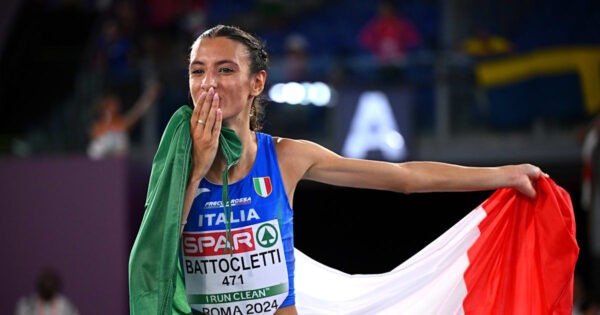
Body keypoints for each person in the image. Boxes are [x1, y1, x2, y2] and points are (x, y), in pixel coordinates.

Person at [130, 25, 547, 315]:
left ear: (257, 83)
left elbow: (403, 178)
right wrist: (199, 168)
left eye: (225, 69)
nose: (209, 83)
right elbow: (156, 257)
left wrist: (503, 173)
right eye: (197, 70)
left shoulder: (288, 157)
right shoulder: (178, 161)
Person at [87, 81, 161, 159]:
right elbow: (94, 137)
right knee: (99, 143)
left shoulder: (121, 122)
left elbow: (139, 110)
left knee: (120, 136)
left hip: (117, 160)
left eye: (117, 103)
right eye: (112, 104)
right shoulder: (98, 125)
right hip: (100, 160)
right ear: (105, 106)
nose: (117, 106)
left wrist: (150, 96)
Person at [14, 266, 79, 315]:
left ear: (56, 287)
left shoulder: (66, 306)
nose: (48, 286)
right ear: (39, 286)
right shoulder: (26, 305)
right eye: (45, 283)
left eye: (51, 284)